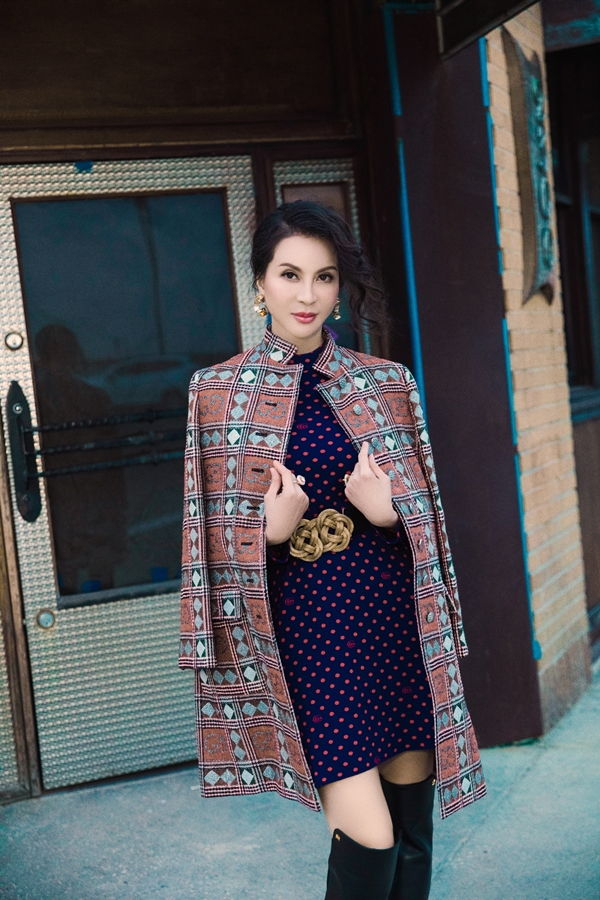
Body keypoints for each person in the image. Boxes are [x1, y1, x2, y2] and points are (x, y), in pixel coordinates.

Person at [179, 201, 486, 899]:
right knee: (370, 836)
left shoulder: (387, 384)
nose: (308, 293)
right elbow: (207, 546)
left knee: (411, 827)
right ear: (260, 282)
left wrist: (388, 514)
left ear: (340, 287)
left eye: (324, 276)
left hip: (392, 626)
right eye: (289, 274)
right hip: (309, 641)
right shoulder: (217, 394)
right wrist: (271, 531)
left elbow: (430, 524)